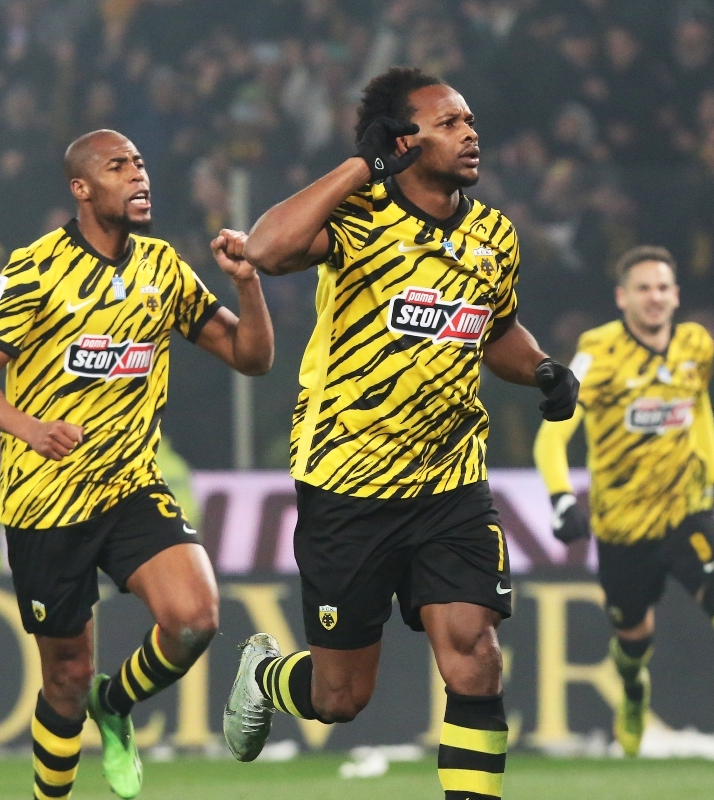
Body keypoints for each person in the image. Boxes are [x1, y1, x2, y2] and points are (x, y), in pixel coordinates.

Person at [224, 66, 580, 800]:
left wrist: (543, 369)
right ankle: (265, 676)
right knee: (340, 697)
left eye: (469, 120)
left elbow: (497, 331)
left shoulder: (493, 235)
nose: (470, 133)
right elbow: (264, 249)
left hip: (451, 483)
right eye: (449, 123)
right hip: (348, 481)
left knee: (475, 655)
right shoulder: (360, 214)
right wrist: (363, 165)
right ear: (402, 140)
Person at [0, 129, 273, 800]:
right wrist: (30, 427)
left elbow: (252, 358)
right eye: (118, 166)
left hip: (130, 487)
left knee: (195, 620)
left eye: (141, 164)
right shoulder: (35, 268)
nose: (138, 176)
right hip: (45, 500)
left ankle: (116, 703)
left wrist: (247, 285)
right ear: (81, 188)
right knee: (66, 678)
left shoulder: (163, 267)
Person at [532, 245, 714, 796]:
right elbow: (551, 436)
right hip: (623, 529)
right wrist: (561, 498)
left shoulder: (696, 345)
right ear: (622, 297)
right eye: (643, 289)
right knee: (633, 638)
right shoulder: (597, 352)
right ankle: (633, 690)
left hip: (687, 513)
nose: (654, 298)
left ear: (676, 295)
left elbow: (698, 412)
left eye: (662, 288)